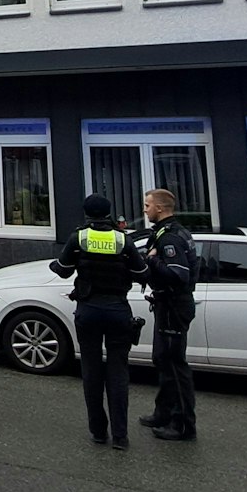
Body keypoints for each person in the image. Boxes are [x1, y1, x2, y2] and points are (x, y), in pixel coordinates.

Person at [51, 194, 148, 448]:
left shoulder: (79, 237)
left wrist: (56, 264)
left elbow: (63, 269)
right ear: (109, 213)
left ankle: (97, 431)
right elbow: (141, 273)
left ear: (86, 213)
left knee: (91, 372)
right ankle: (120, 436)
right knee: (118, 373)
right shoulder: (122, 239)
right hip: (117, 310)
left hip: (88, 311)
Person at [137, 188, 199, 442]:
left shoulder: (170, 238)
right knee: (162, 359)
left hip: (174, 305)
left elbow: (178, 274)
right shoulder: (166, 233)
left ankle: (183, 424)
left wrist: (152, 261)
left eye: (147, 205)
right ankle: (163, 413)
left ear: (160, 208)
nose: (145, 209)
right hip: (166, 305)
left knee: (175, 366)